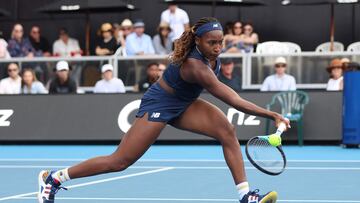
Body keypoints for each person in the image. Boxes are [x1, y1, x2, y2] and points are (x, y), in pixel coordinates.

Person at [37, 17, 289, 203]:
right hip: (160, 103)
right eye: (212, 42)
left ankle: (245, 196)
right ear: (197, 40)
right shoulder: (195, 65)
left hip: (184, 102)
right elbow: (231, 98)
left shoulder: (212, 56)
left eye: (220, 42)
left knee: (226, 130)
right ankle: (55, 178)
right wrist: (271, 114)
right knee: (120, 161)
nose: (218, 47)